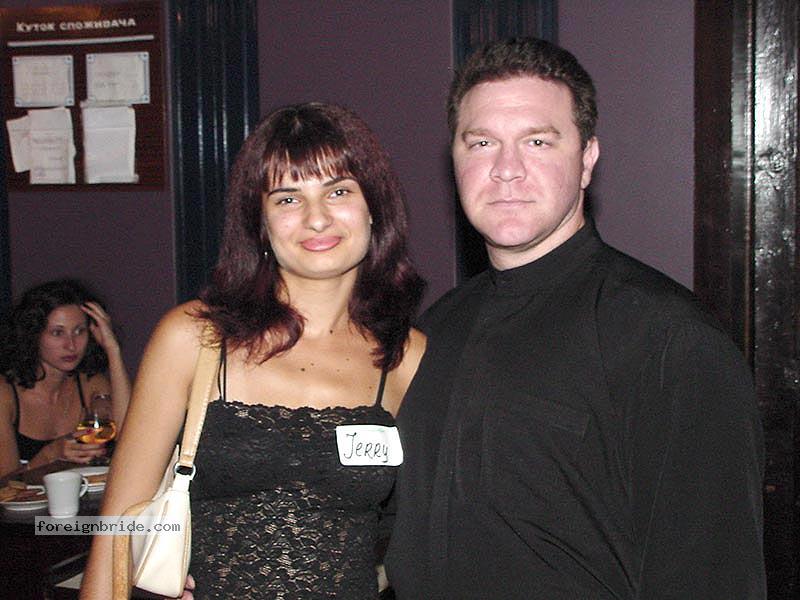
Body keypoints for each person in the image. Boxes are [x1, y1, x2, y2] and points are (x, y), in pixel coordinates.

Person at [384, 37, 766, 599]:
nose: (506, 169)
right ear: (455, 160)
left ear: (587, 159)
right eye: (482, 142)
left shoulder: (669, 341)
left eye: (537, 141)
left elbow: (713, 576)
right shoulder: (435, 330)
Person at [80, 102, 426, 599]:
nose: (317, 218)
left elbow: (436, 532)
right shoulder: (194, 338)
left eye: (339, 191)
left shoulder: (407, 358)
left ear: (374, 208)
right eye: (288, 198)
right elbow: (117, 529)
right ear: (260, 222)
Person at [0, 279, 131, 477]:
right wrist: (49, 455)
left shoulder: (90, 383)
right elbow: (5, 486)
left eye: (79, 331)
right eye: (57, 333)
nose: (71, 345)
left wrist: (113, 350)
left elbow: (131, 435)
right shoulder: (5, 393)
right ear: (33, 334)